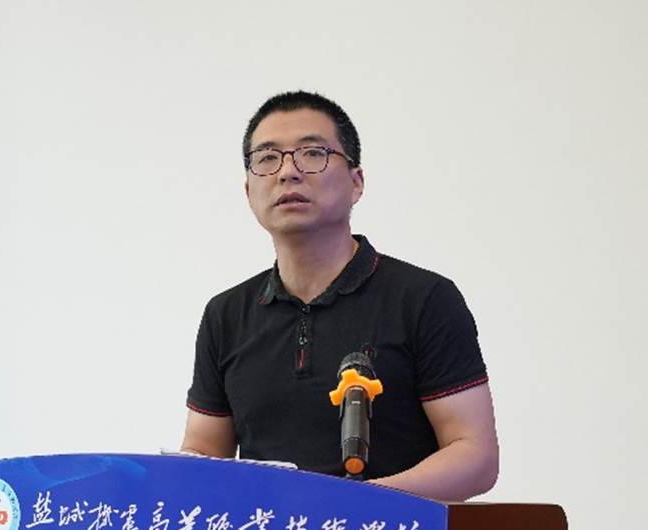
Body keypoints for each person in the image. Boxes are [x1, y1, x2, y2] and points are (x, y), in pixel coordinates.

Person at [181, 91, 498, 502]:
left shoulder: (423, 299)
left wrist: (352, 507)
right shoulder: (225, 315)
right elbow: (204, 450)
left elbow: (474, 455)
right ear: (248, 191)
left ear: (356, 182)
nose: (287, 172)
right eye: (267, 158)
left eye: (313, 154)